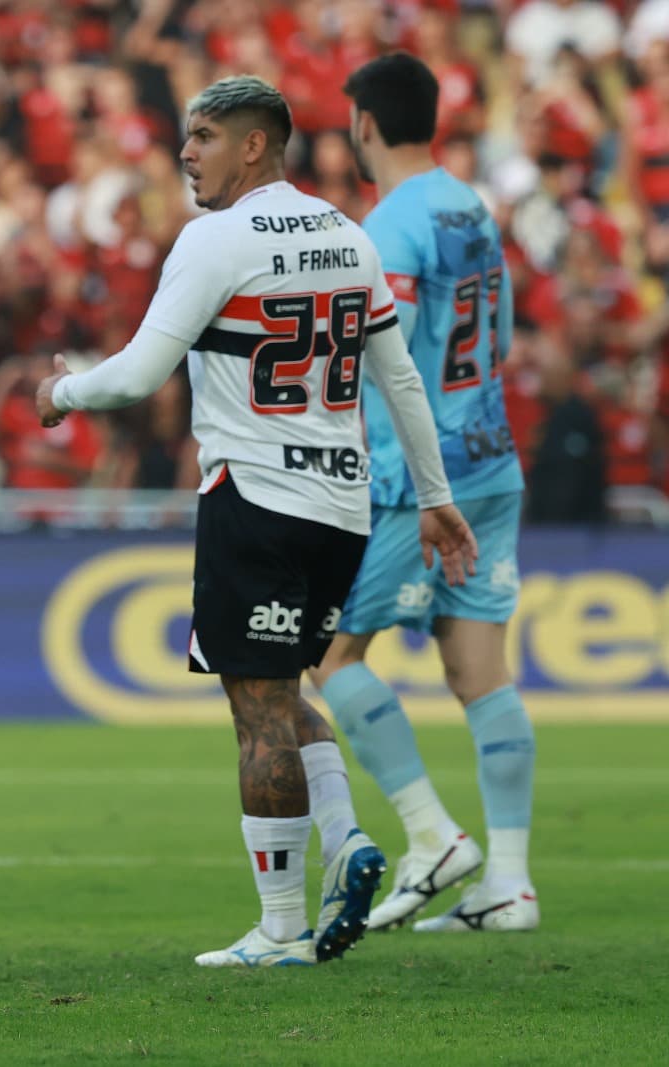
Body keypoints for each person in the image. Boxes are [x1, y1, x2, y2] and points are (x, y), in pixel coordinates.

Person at [36, 76, 478, 967]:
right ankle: (347, 842)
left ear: (253, 145)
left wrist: (61, 392)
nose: (185, 152)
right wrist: (434, 498)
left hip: (257, 499)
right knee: (283, 691)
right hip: (342, 510)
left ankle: (280, 928)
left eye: (202, 136)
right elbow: (400, 381)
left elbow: (137, 374)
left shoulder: (216, 239)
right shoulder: (349, 235)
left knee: (257, 711)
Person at [304, 53, 539, 933]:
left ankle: (433, 834)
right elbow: (500, 337)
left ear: (362, 123)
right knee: (480, 672)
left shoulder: (389, 227)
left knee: (332, 657)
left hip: (418, 480)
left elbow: (386, 357)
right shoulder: (471, 206)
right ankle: (509, 883)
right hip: (493, 461)